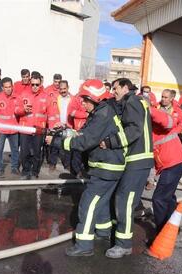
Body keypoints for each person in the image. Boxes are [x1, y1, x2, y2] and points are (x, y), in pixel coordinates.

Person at [46, 79, 125, 257]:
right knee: (102, 202)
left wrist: (57, 141)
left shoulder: (102, 115)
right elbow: (86, 134)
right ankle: (104, 232)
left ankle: (84, 245)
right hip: (109, 167)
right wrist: (67, 130)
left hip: (106, 168)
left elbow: (84, 142)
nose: (82, 102)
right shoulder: (102, 112)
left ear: (94, 99)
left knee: (87, 204)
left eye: (85, 99)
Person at [99, 78, 153, 258]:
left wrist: (110, 142)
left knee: (125, 200)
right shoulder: (133, 102)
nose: (113, 92)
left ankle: (123, 245)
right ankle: (120, 236)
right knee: (122, 198)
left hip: (137, 160)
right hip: (136, 160)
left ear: (125, 87)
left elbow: (134, 130)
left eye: (115, 88)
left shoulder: (133, 101)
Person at [150, 96, 182, 235]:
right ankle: (172, 227)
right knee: (169, 197)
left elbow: (168, 121)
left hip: (173, 163)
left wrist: (148, 109)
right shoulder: (148, 127)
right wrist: (151, 178)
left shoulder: (159, 119)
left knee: (159, 199)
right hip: (171, 164)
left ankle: (162, 232)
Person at [15, 72, 59, 179]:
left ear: (40, 84)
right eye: (33, 84)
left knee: (36, 153)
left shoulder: (46, 97)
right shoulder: (23, 95)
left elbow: (52, 115)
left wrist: (51, 132)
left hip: (39, 130)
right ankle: (25, 172)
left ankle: (35, 172)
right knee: (24, 153)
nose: (35, 86)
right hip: (25, 129)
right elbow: (16, 110)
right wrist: (23, 110)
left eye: (37, 84)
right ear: (30, 83)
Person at [0, 77, 20, 178]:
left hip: (14, 129)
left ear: (12, 86)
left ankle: (14, 167)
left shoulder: (17, 97)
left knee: (15, 150)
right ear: (2, 88)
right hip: (1, 130)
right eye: (6, 87)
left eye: (10, 87)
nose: (8, 89)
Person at [48, 80, 72, 171]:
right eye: (61, 89)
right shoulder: (55, 98)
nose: (63, 91)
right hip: (57, 125)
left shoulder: (72, 99)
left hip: (68, 125)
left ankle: (67, 164)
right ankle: (52, 164)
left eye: (64, 89)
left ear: (68, 87)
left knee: (67, 146)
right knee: (55, 145)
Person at [67, 89, 89, 178]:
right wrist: (86, 114)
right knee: (77, 154)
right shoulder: (76, 99)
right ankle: (76, 173)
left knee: (86, 155)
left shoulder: (93, 100)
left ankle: (84, 172)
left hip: (89, 131)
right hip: (78, 130)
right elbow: (72, 112)